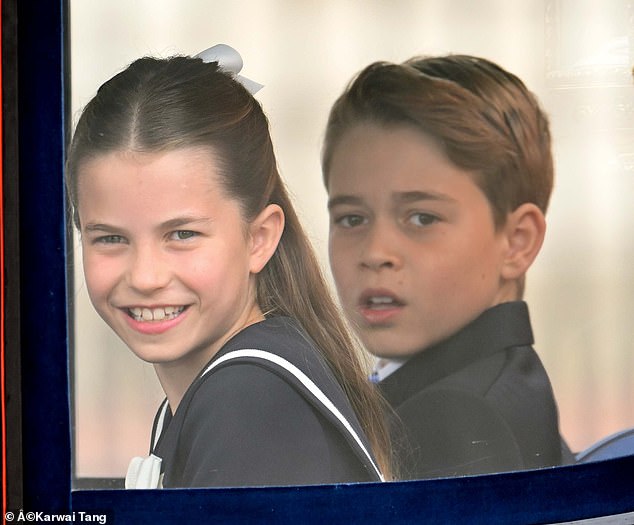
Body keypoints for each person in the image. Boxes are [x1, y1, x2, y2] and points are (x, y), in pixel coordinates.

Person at [66, 46, 391, 488]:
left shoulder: (248, 400)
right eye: (110, 238)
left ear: (259, 239)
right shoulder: (218, 391)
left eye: (182, 235)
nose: (145, 277)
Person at [321, 54, 572, 480]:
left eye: (422, 218)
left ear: (517, 241)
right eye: (351, 219)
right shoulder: (496, 380)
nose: (376, 251)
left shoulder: (453, 418)